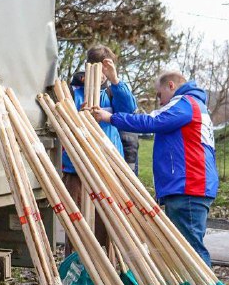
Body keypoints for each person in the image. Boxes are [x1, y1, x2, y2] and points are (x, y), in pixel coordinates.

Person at [93, 71, 218, 266]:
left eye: (160, 95)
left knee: (191, 249)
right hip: (192, 186)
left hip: (188, 186)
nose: (160, 101)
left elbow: (151, 121)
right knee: (185, 248)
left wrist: (111, 118)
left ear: (171, 85)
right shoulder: (196, 106)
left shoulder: (185, 103)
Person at [61, 45, 137, 257]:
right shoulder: (72, 92)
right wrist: (78, 116)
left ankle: (107, 267)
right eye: (100, 71)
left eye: (106, 72)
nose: (102, 77)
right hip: (77, 167)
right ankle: (77, 266)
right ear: (89, 68)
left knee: (107, 222)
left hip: (108, 166)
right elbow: (59, 122)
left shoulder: (113, 92)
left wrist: (115, 80)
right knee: (77, 223)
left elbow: (129, 111)